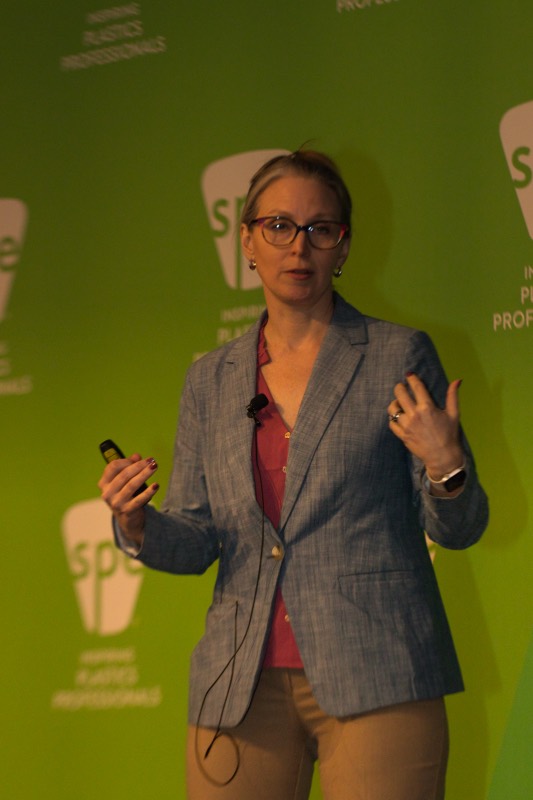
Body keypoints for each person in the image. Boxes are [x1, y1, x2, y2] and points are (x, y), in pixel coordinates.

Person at [99, 150, 488, 800]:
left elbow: (459, 528)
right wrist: (136, 523)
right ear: (246, 240)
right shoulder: (210, 378)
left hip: (378, 671)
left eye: (319, 228)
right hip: (237, 680)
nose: (298, 246)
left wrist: (445, 466)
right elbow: (197, 538)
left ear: (343, 246)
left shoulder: (396, 354)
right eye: (278, 226)